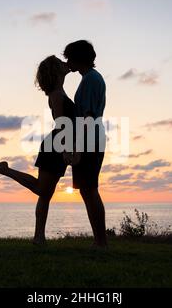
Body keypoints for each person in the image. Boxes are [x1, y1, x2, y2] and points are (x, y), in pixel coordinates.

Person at [0, 55, 75, 245]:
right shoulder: (57, 95)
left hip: (57, 144)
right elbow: (62, 124)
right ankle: (5, 170)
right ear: (55, 71)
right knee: (42, 190)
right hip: (57, 145)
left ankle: (38, 237)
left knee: (45, 194)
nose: (64, 63)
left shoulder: (59, 92)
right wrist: (67, 149)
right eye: (60, 63)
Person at [63, 40, 108, 248]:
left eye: (69, 57)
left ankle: (100, 242)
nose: (67, 62)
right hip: (91, 138)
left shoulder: (90, 79)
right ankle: (99, 241)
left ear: (78, 58)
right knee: (87, 190)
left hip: (90, 139)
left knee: (90, 189)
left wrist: (78, 148)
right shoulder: (89, 78)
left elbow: (88, 117)